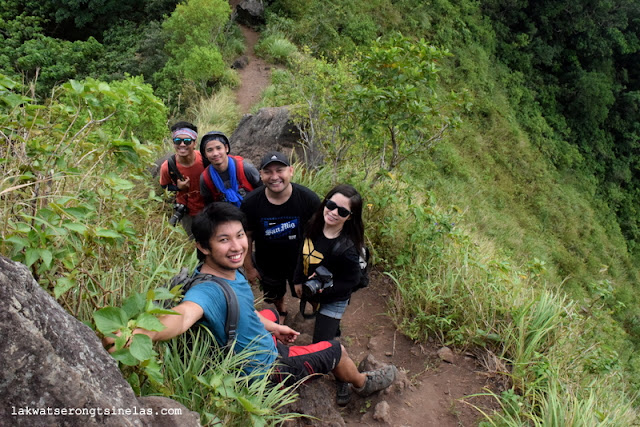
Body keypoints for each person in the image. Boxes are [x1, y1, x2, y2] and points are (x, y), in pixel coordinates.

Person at [104, 203, 397, 404]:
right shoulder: (208, 292)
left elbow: (243, 311)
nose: (237, 246)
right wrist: (138, 334)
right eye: (223, 240)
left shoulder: (222, 272)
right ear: (203, 246)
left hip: (248, 347)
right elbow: (182, 317)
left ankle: (275, 329)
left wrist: (269, 325)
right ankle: (361, 384)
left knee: (268, 312)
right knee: (337, 348)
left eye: (240, 235)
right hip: (265, 370)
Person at [293, 184, 365, 406]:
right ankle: (334, 332)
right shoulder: (313, 225)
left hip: (333, 297)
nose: (333, 212)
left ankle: (343, 377)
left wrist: (323, 293)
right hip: (315, 291)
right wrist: (297, 279)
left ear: (350, 217)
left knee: (323, 346)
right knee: (329, 333)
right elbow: (302, 253)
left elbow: (351, 282)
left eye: (342, 211)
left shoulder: (348, 248)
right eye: (331, 205)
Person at [241, 151, 321, 317]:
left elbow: (320, 234)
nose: (274, 176)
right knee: (274, 295)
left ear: (290, 171)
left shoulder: (309, 199)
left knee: (311, 293)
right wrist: (248, 267)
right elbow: (246, 235)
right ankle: (282, 314)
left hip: (302, 262)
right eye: (268, 172)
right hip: (268, 262)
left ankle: (318, 313)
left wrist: (320, 265)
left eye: (280, 170)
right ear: (261, 175)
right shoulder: (251, 202)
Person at [159, 121, 206, 237]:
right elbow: (164, 185)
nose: (182, 145)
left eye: (187, 141)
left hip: (209, 208)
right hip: (187, 212)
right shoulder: (168, 166)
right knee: (195, 243)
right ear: (173, 143)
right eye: (178, 141)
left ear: (194, 143)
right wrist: (177, 188)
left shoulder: (205, 160)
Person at [199, 131, 262, 207]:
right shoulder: (206, 178)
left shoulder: (245, 168)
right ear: (205, 154)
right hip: (226, 216)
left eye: (218, 148)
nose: (215, 153)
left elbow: (262, 192)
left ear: (226, 148)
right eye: (210, 150)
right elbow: (209, 206)